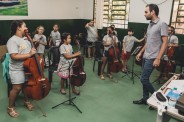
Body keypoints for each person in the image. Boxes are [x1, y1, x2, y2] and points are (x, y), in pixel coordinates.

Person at [133, 4, 168, 105]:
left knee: (143, 78)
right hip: (146, 56)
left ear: (153, 12)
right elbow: (148, 42)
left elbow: (165, 42)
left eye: (146, 12)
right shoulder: (150, 24)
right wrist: (140, 52)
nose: (144, 14)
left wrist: (158, 58)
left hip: (153, 57)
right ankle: (145, 98)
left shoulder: (162, 24)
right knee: (145, 79)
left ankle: (158, 100)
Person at [6, 20, 37, 117]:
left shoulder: (25, 39)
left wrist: (32, 49)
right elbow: (14, 56)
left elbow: (29, 53)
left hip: (27, 68)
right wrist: (29, 54)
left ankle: (26, 101)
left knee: (26, 87)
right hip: (17, 69)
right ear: (19, 27)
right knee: (17, 88)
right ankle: (10, 108)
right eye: (24, 26)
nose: (26, 27)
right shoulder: (12, 40)